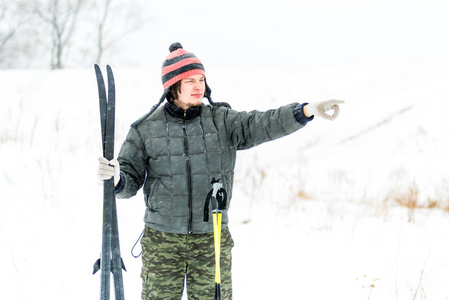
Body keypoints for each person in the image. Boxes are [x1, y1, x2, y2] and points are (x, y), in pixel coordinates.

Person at [98, 42, 344, 300]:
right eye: (190, 80)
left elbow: (263, 123)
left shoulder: (222, 121)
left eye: (201, 79)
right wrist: (117, 179)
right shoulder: (145, 129)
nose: (198, 86)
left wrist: (305, 111)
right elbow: (128, 184)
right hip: (162, 242)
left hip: (211, 239)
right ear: (172, 86)